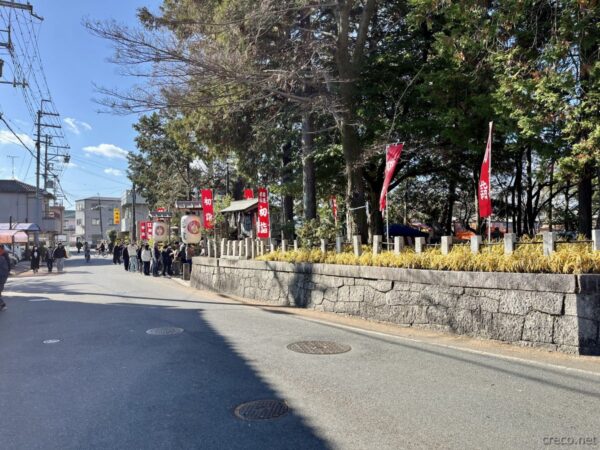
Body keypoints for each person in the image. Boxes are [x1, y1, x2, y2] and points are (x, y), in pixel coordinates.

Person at [0, 244, 9, 311]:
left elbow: (5, 269)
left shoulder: (2, 258)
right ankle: (2, 305)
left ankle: (2, 304)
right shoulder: (3, 257)